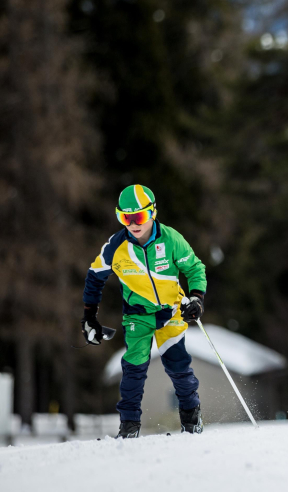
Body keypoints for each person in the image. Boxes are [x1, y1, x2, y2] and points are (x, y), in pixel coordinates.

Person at [82, 185, 208, 437]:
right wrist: (89, 316)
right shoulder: (116, 247)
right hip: (137, 315)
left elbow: (194, 268)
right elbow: (95, 276)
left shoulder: (171, 239)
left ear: (152, 212)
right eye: (124, 217)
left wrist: (196, 298)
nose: (132, 224)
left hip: (171, 311)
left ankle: (191, 419)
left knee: (178, 366)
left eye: (138, 217)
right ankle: (129, 426)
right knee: (133, 369)